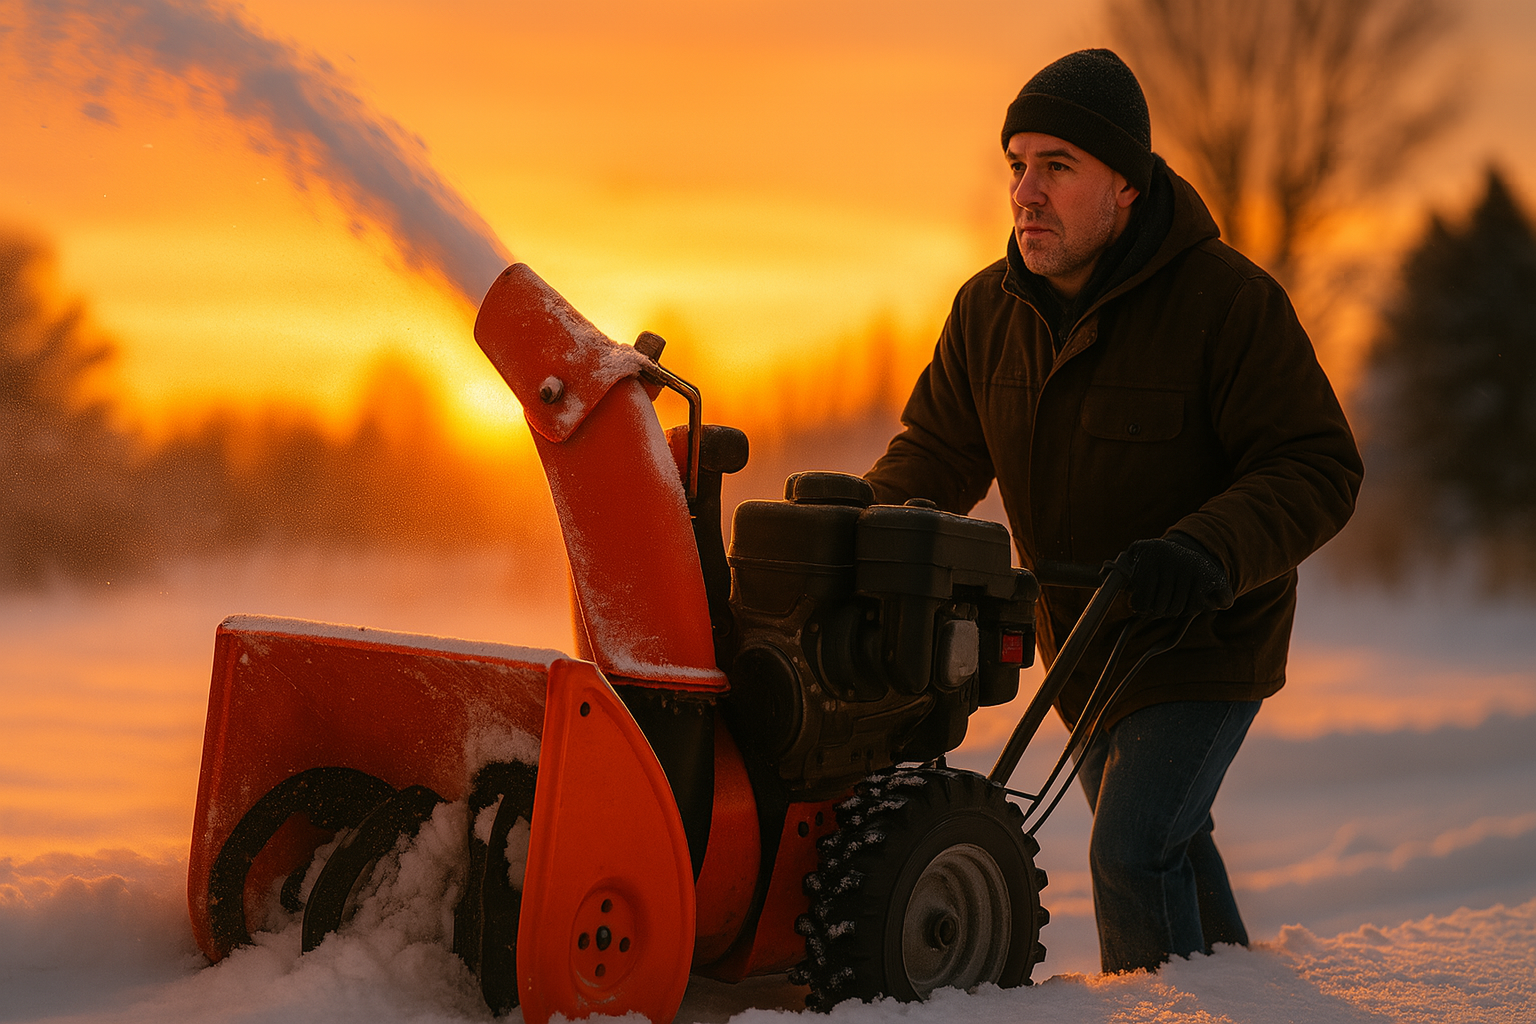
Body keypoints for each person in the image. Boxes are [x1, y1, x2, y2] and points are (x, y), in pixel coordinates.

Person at [863, 48, 1363, 974]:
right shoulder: (987, 312)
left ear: (1127, 187)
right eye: (1018, 164)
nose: (1026, 191)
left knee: (1131, 853)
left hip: (1206, 634)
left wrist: (1203, 550)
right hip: (1084, 643)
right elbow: (936, 454)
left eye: (1058, 166)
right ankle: (1241, 995)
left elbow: (1317, 463)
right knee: (1169, 847)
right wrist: (859, 521)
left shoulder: (1229, 303)